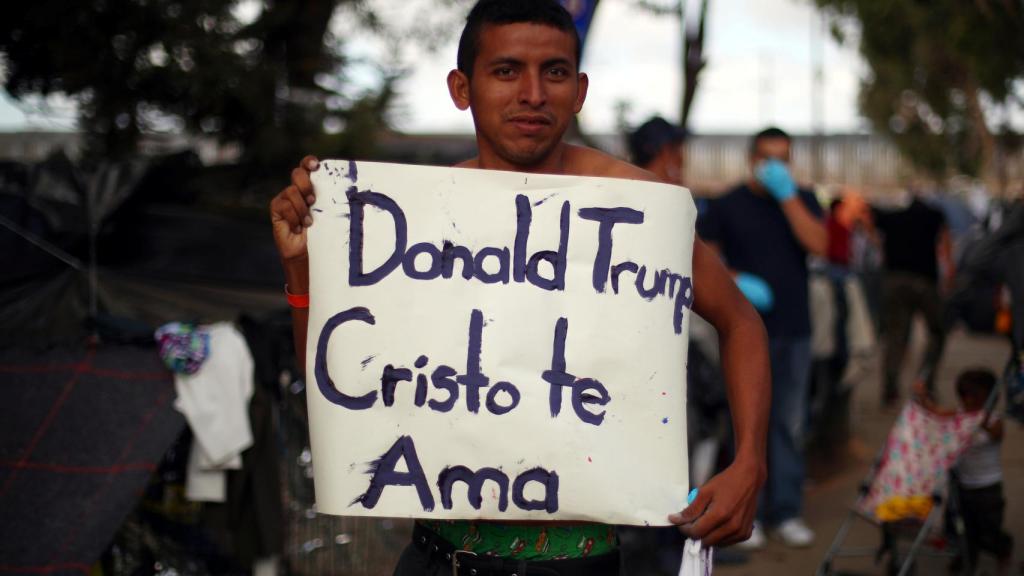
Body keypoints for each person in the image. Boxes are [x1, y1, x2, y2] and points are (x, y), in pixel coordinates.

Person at [269, 1, 770, 574]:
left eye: (554, 72)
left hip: (578, 562)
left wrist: (750, 461)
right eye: (506, 71)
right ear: (462, 87)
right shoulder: (412, 219)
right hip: (440, 558)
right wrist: (301, 269)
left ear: (578, 90)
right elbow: (344, 386)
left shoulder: (635, 207)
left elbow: (741, 321)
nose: (533, 93)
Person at [697, 127, 827, 549]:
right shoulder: (727, 204)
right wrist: (734, 280)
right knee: (746, 424)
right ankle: (744, 512)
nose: (775, 166)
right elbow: (706, 256)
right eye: (768, 158)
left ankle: (785, 511)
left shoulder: (801, 198)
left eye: (783, 159)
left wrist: (787, 195)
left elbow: (821, 245)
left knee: (788, 423)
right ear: (752, 158)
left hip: (795, 329)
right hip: (743, 335)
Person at [913, 369, 1012, 574]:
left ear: (987, 398)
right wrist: (922, 396)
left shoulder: (993, 420)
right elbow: (937, 414)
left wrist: (980, 420)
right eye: (964, 395)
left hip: (987, 487)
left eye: (974, 396)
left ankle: (1003, 548)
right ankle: (968, 560)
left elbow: (996, 434)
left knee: (988, 529)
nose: (967, 401)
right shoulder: (960, 414)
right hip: (963, 484)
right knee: (964, 528)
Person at [872, 191, 954, 406]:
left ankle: (890, 389)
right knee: (938, 332)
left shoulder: (892, 217)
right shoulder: (934, 215)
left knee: (896, 336)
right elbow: (945, 243)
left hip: (894, 280)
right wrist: (949, 273)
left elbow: (870, 225)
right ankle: (925, 382)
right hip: (924, 281)